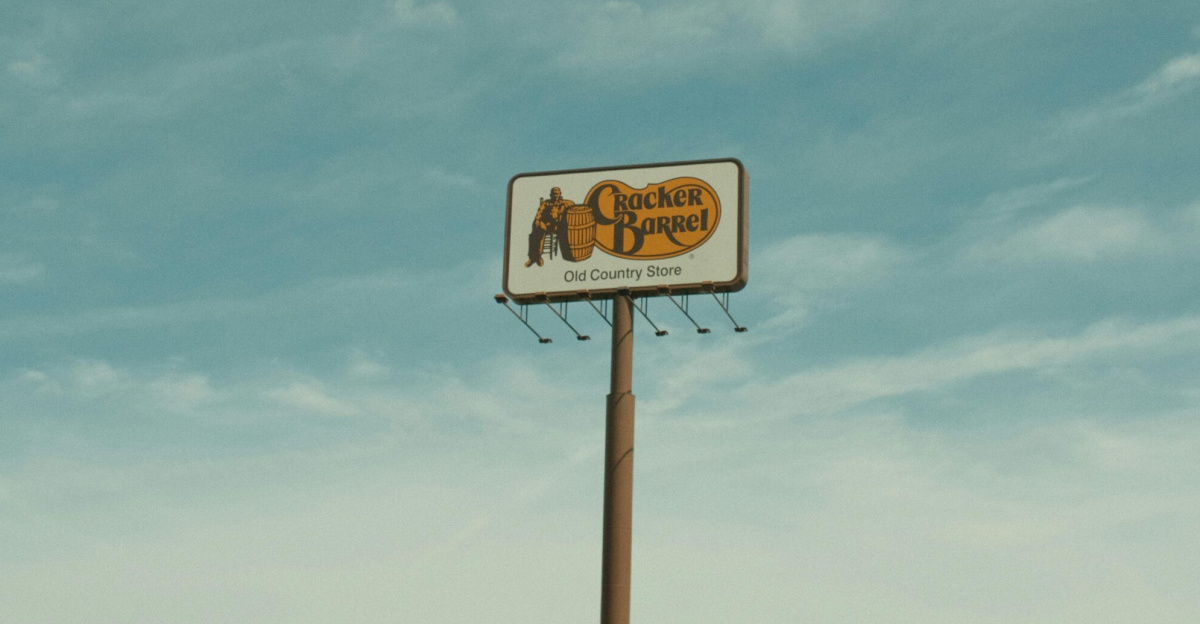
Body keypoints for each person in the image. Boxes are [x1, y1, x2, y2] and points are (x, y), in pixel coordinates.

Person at [525, 187, 576, 266]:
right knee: (537, 232)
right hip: (547, 225)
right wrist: (537, 220)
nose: (555, 196)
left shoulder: (563, 203)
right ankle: (535, 257)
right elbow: (539, 213)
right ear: (551, 195)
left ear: (560, 194)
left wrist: (565, 204)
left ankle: (571, 255)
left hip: (558, 226)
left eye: (557, 194)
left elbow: (572, 204)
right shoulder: (546, 203)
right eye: (554, 194)